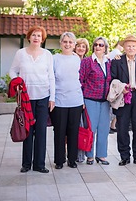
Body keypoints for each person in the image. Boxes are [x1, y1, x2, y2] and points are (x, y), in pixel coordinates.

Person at [9, 26, 55, 173]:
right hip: (26, 98)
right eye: (34, 35)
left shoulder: (47, 54)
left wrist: (52, 98)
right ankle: (26, 164)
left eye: (39, 36)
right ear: (29, 37)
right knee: (27, 130)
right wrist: (16, 82)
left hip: (43, 97)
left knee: (41, 131)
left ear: (42, 39)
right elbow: (12, 70)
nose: (36, 38)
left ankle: (39, 164)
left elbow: (51, 77)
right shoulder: (20, 53)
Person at [110, 34, 136, 166]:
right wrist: (121, 88)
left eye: (133, 46)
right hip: (123, 97)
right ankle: (124, 156)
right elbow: (112, 79)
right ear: (124, 47)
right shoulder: (117, 60)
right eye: (128, 46)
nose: (131, 48)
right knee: (122, 128)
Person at [51, 32, 84, 169]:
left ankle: (72, 160)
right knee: (59, 131)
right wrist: (51, 98)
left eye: (70, 42)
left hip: (76, 100)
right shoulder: (54, 59)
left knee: (73, 131)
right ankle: (59, 160)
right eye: (65, 41)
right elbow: (51, 79)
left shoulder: (77, 59)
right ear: (60, 43)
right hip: (59, 100)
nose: (67, 44)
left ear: (74, 45)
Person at [80, 37, 112, 165]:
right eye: (96, 45)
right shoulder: (87, 61)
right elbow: (80, 81)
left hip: (105, 101)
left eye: (101, 45)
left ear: (105, 48)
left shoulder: (109, 62)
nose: (98, 47)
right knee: (91, 129)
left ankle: (101, 155)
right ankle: (89, 155)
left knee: (104, 128)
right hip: (90, 100)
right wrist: (81, 99)